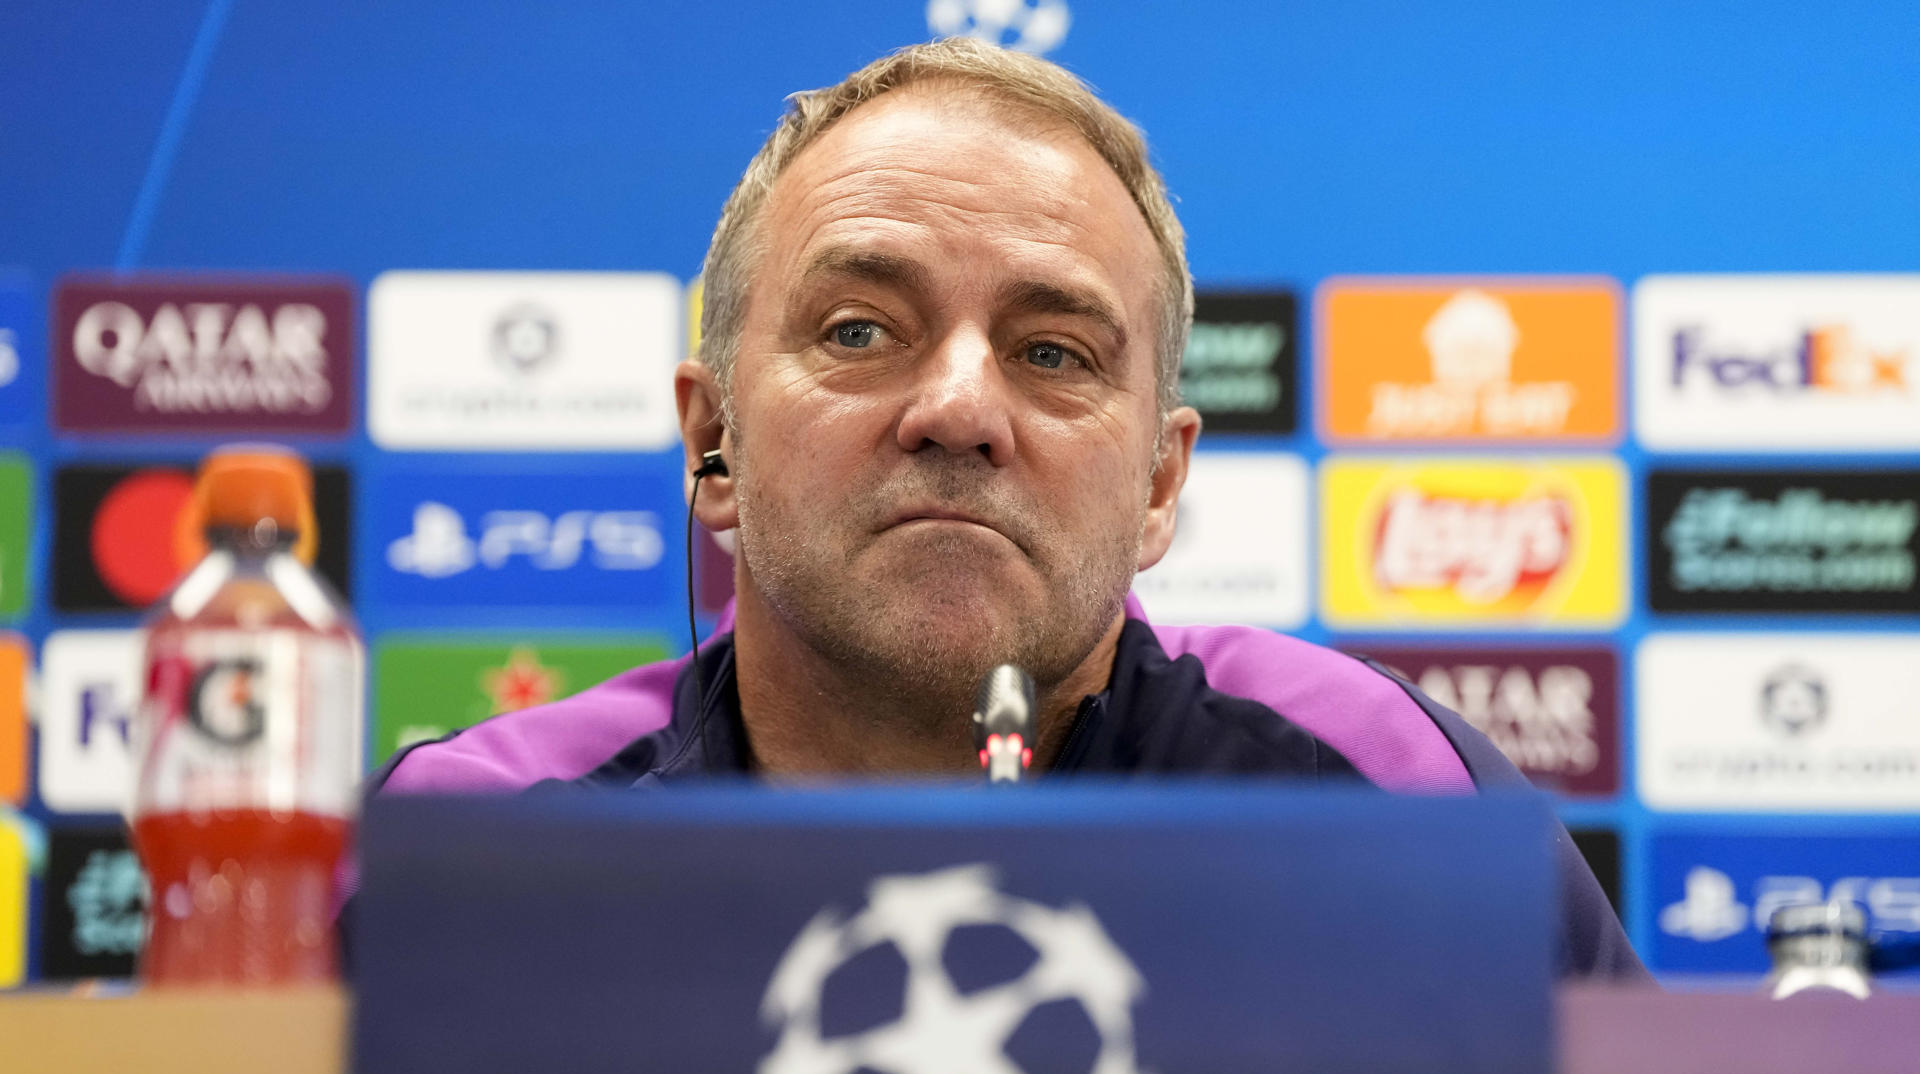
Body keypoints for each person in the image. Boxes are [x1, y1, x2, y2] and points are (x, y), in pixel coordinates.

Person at [372, 38, 1644, 979]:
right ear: (715, 441)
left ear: (1158, 484)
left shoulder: (1387, 802)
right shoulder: (478, 853)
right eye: (861, 329)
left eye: (1054, 353)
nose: (960, 406)